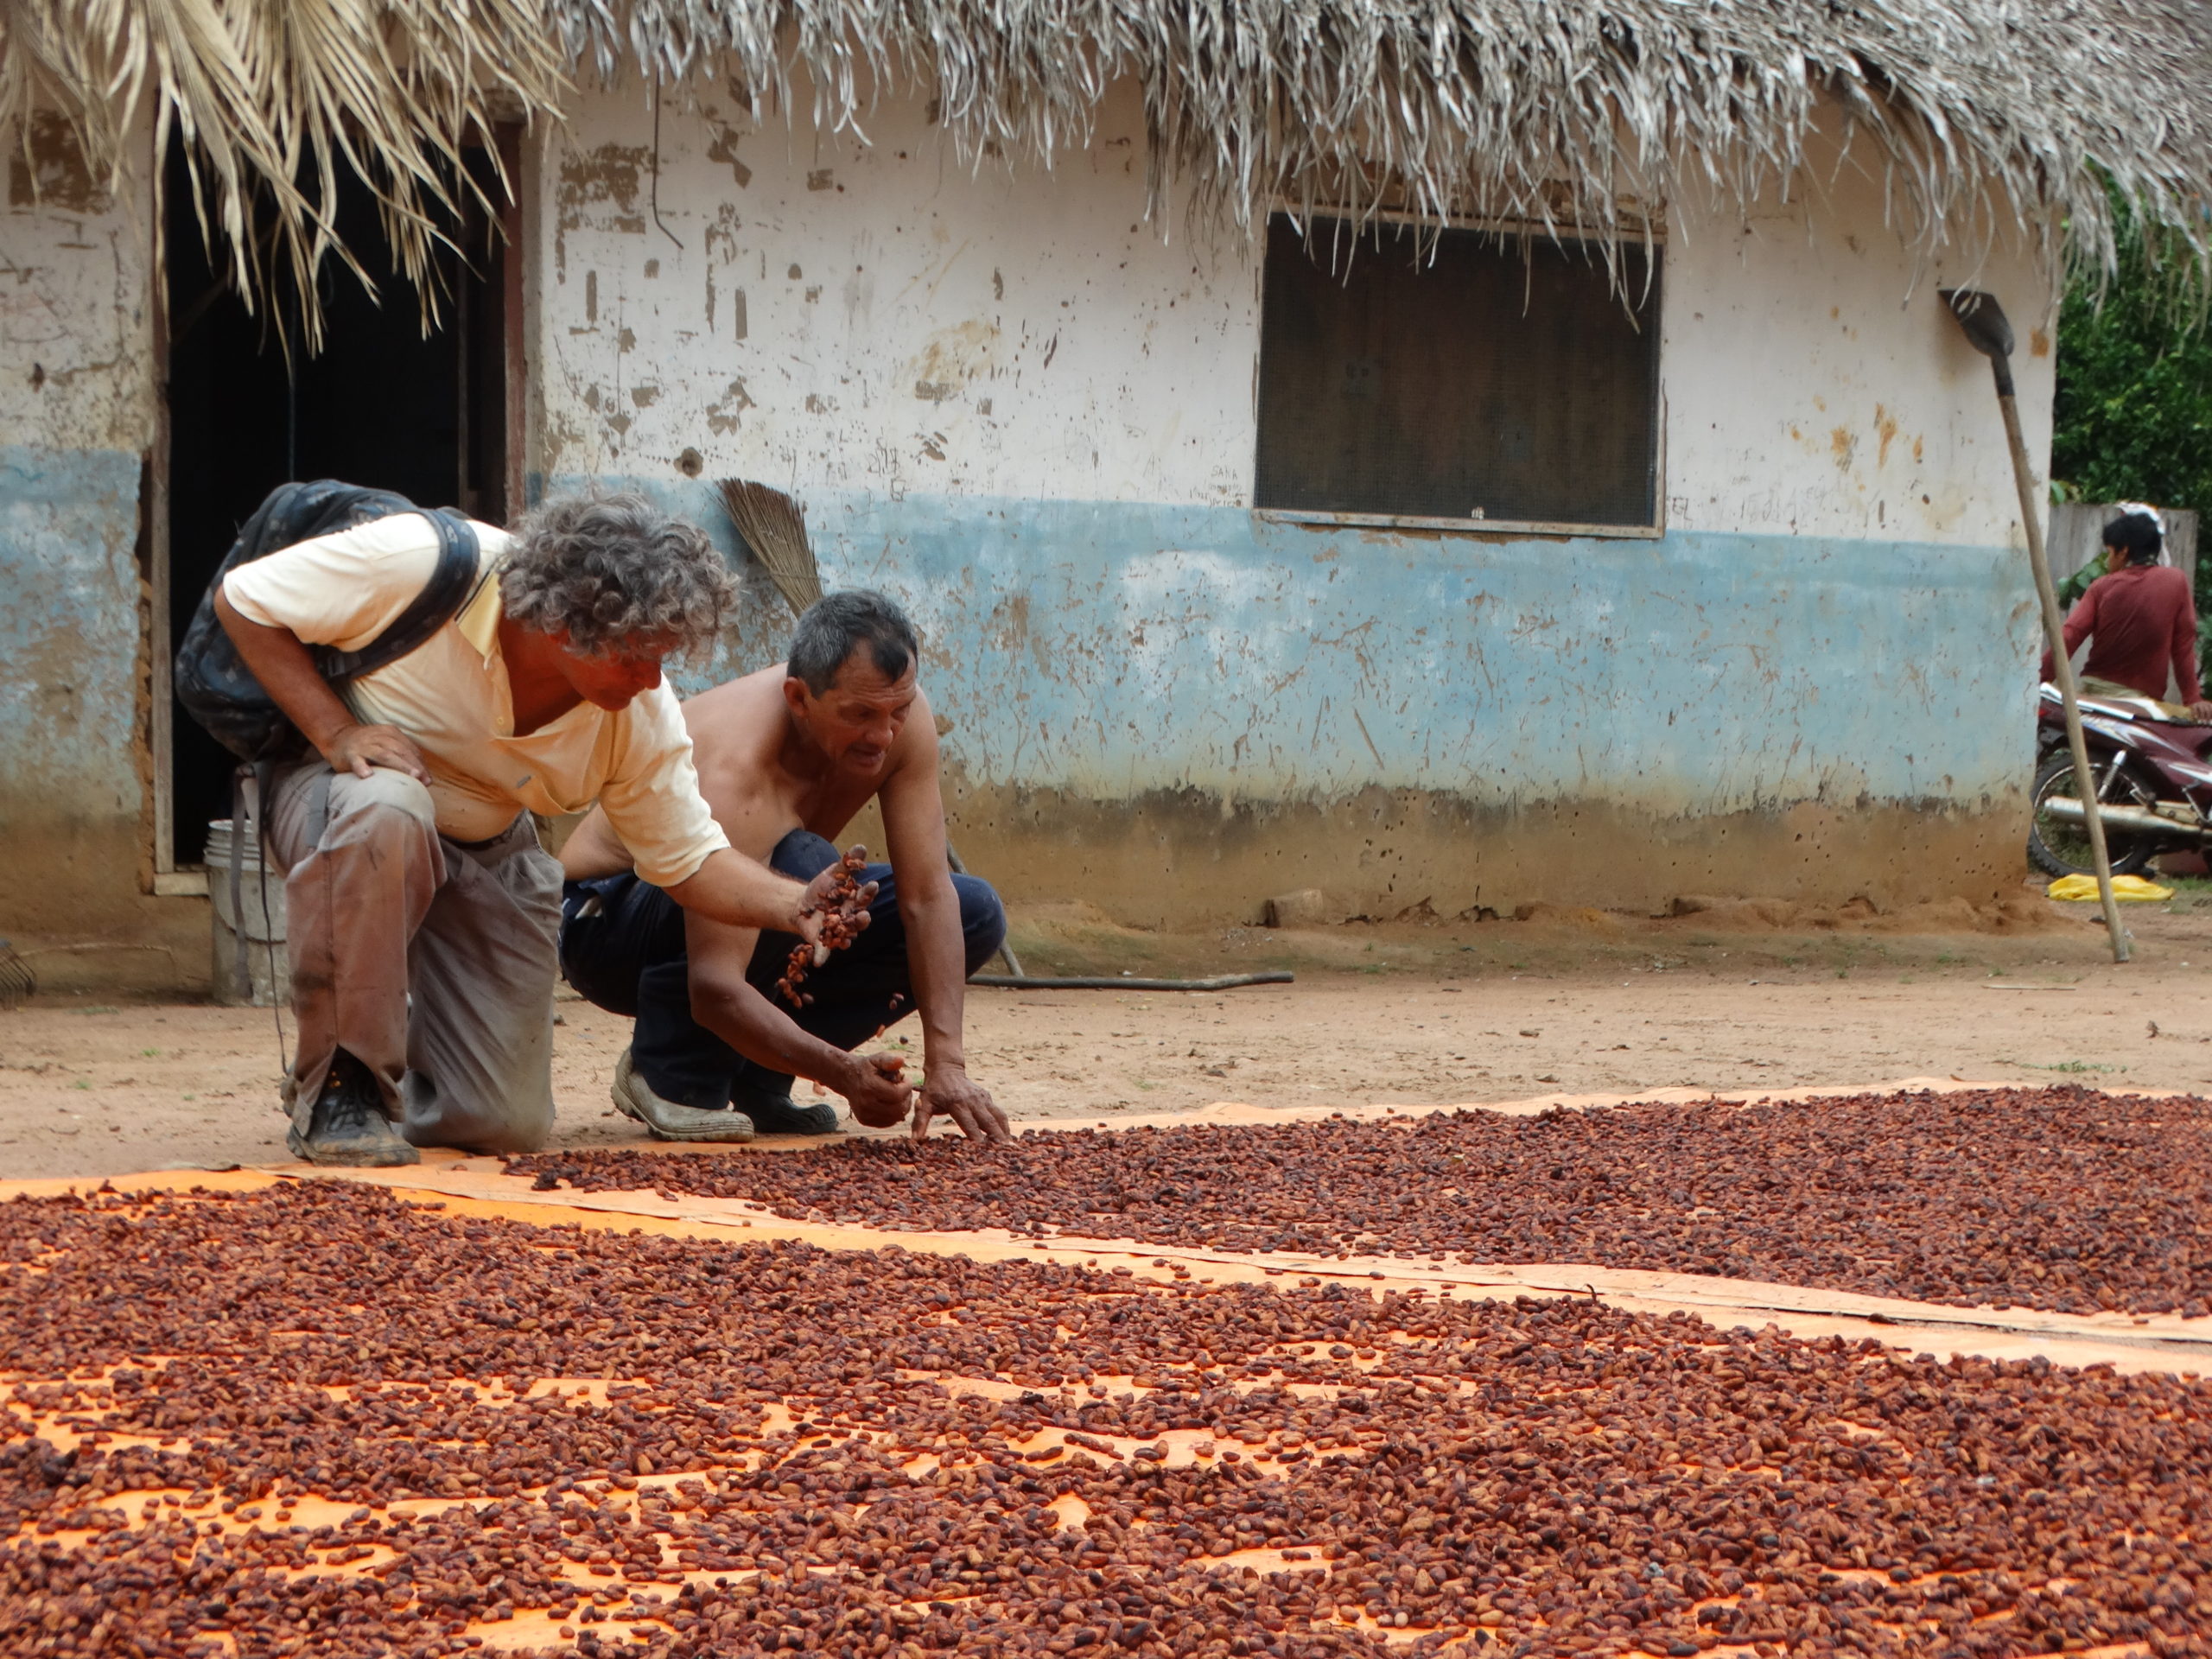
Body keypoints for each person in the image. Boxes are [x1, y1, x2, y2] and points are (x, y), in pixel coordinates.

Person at [215, 493, 869, 1168]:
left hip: (488, 846)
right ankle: (340, 1086)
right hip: (343, 804)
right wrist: (336, 730)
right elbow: (243, 599)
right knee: (388, 804)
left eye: (663, 656)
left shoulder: (642, 713)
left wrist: (795, 907)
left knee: (502, 1123)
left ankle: (398, 1051)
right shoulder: (420, 562)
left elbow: (688, 858)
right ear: (561, 624)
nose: (651, 680)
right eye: (633, 655)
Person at [558, 589, 1012, 1143]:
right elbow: (714, 984)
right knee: (806, 863)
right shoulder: (736, 774)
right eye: (860, 716)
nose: (884, 735)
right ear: (798, 699)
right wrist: (843, 1074)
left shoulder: (900, 720)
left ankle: (758, 1077)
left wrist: (948, 1066)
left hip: (761, 899)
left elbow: (927, 898)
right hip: (607, 923)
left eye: (899, 710)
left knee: (973, 912)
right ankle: (668, 1073)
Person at [2043, 505, 2212, 720]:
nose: (2108, 560)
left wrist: (2039, 679)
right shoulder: (2176, 581)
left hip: (2090, 694)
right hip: (2139, 705)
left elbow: (2069, 635)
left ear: (2123, 552)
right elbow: (2183, 648)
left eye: (2109, 552)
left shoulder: (2101, 586)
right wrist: (2193, 699)